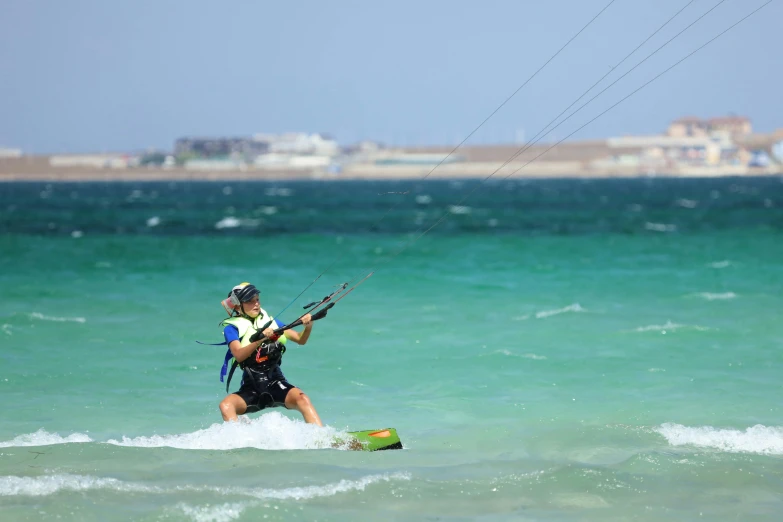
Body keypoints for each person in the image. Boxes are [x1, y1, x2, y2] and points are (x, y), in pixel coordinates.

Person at [217, 282, 323, 426]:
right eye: (250, 301)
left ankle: (319, 437)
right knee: (226, 405)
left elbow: (300, 339)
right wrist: (261, 339)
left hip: (275, 382)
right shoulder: (231, 328)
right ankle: (240, 441)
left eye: (257, 299)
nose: (256, 304)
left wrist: (308, 326)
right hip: (252, 387)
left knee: (302, 399)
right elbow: (239, 355)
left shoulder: (272, 322)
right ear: (237, 305)